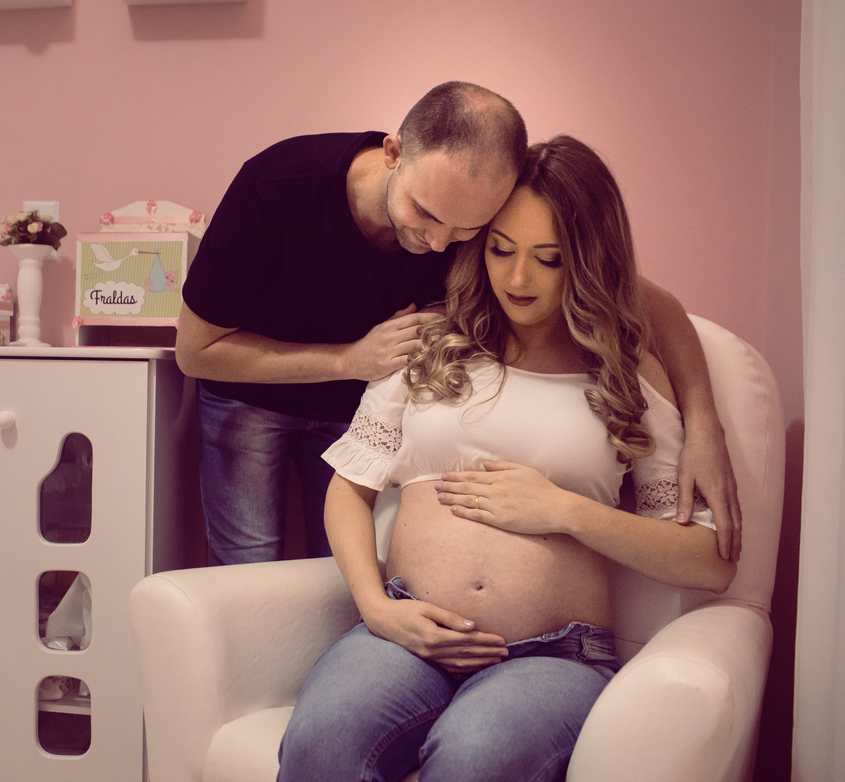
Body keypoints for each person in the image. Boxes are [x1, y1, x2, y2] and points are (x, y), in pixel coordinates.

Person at [275, 135, 737, 782]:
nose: (518, 279)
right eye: (501, 250)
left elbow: (710, 563)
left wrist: (565, 511)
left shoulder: (625, 375)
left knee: (475, 756)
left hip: (552, 657)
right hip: (407, 630)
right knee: (321, 742)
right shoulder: (431, 345)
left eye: (549, 259)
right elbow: (349, 489)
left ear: (586, 260)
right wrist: (378, 607)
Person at [177, 82, 741, 566]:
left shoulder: (479, 214)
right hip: (252, 391)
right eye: (424, 214)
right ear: (393, 152)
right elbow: (196, 351)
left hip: (354, 399)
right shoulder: (278, 185)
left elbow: (643, 300)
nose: (438, 242)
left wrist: (703, 422)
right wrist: (347, 359)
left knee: (331, 579)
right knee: (247, 563)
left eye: (467, 230)